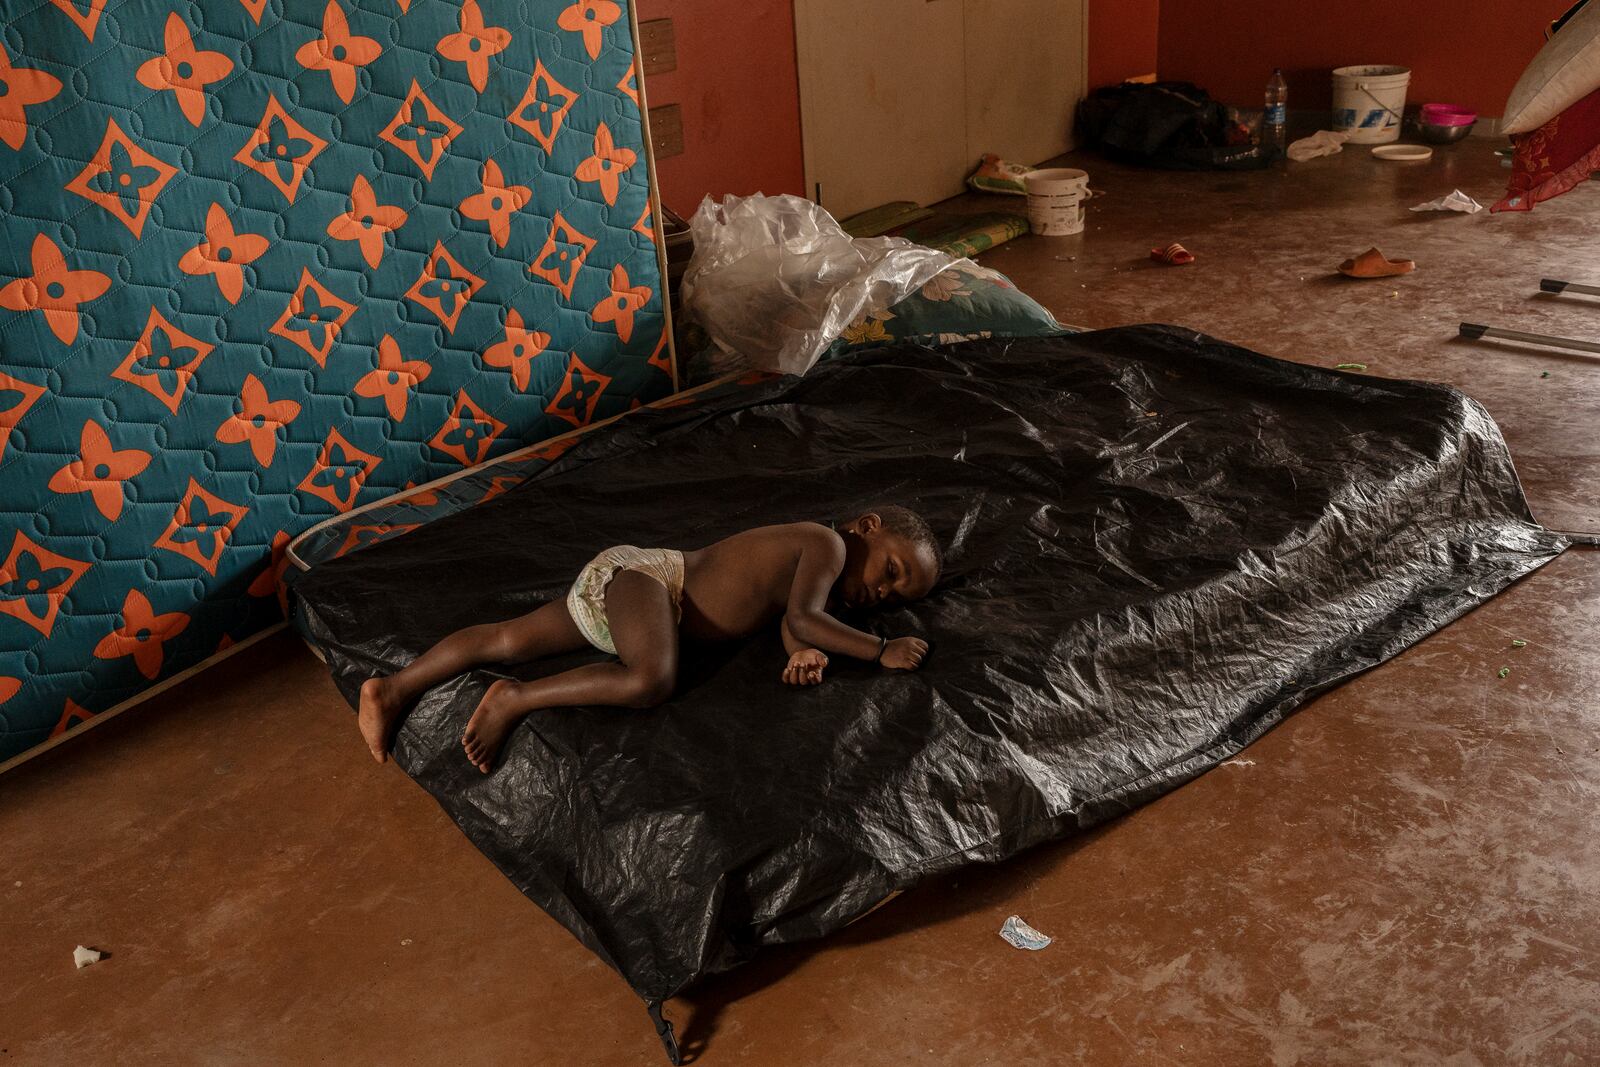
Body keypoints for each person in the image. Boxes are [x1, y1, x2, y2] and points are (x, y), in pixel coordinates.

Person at [357, 507, 942, 773]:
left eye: (896, 598)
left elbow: (797, 622)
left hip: (640, 593)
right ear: (868, 527)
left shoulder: (829, 583)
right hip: (651, 584)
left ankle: (391, 687)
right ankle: (516, 698)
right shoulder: (827, 544)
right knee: (651, 679)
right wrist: (876, 650)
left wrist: (803, 656)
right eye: (890, 571)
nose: (882, 594)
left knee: (508, 638)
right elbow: (807, 616)